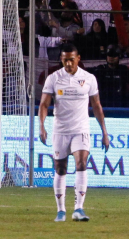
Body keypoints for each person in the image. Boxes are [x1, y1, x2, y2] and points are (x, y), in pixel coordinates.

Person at [38, 44, 109, 222]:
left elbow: (96, 105)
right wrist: (41, 125)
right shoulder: (53, 78)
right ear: (61, 60)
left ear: (78, 59)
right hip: (61, 130)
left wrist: (104, 132)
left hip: (81, 129)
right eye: (65, 60)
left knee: (81, 163)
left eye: (71, 59)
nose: (68, 63)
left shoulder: (89, 78)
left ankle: (78, 208)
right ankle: (61, 210)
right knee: (60, 169)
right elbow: (44, 105)